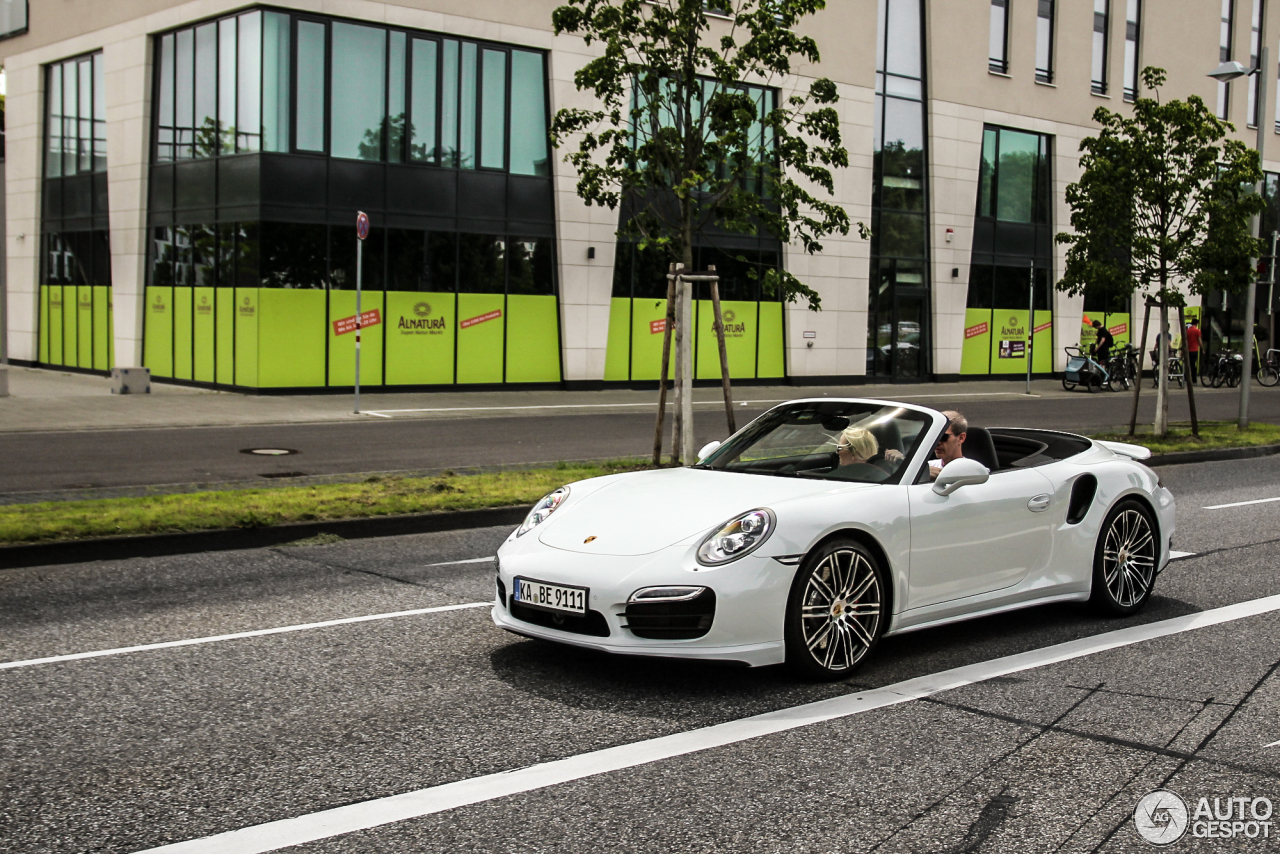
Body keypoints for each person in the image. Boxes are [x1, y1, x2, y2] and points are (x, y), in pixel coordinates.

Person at [928, 410, 968, 480]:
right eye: (935, 436)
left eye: (943, 437)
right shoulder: (925, 468)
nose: (937, 442)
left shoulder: (977, 472)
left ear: (961, 438)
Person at [1185, 316, 1202, 384]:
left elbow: (1185, 340)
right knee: (1193, 365)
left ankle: (1186, 377)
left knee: (1188, 364)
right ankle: (1194, 379)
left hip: (1188, 350)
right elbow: (1199, 340)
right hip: (1194, 350)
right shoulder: (1197, 331)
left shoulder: (1187, 331)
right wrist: (1202, 348)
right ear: (1196, 324)